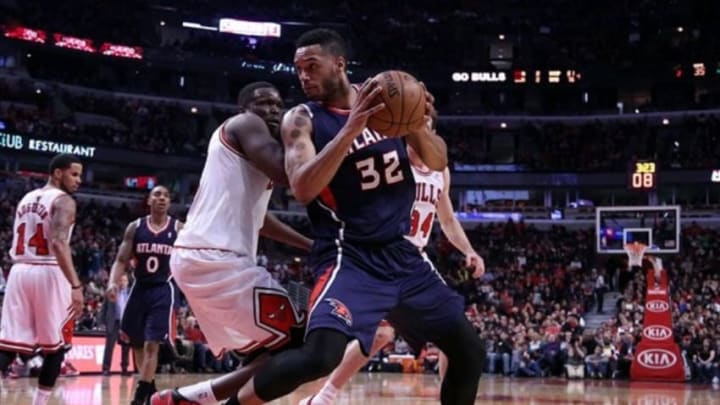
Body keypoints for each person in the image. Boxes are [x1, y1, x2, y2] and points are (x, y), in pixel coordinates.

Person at [230, 28, 485, 405]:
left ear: (340, 64)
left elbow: (436, 160)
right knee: (320, 356)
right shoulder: (302, 119)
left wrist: (414, 123)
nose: (303, 76)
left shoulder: (386, 97)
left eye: (312, 67)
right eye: (298, 68)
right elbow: (302, 187)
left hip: (401, 254)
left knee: (469, 351)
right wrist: (351, 130)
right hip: (349, 255)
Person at [300, 116, 485, 405]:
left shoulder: (440, 171)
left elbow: (447, 219)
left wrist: (469, 251)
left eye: (424, 125)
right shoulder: (392, 162)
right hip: (380, 255)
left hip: (416, 263)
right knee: (380, 334)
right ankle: (324, 396)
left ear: (431, 133)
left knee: (454, 334)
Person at [150, 81, 313, 405]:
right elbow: (288, 172)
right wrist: (310, 132)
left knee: (274, 348)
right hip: (214, 258)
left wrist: (309, 245)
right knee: (305, 333)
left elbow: (260, 220)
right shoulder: (244, 125)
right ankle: (188, 398)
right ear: (244, 109)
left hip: (213, 259)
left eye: (278, 105)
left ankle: (188, 399)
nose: (272, 110)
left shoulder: (250, 153)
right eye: (263, 103)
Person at [0, 153, 84, 405]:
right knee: (56, 347)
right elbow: (58, 243)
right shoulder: (64, 201)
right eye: (74, 174)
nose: (78, 180)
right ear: (58, 173)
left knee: (7, 345)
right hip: (48, 271)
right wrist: (76, 285)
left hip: (19, 271)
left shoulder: (26, 198)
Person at [106, 185, 183, 405]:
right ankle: (149, 386)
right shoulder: (135, 227)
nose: (162, 198)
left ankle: (141, 395)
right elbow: (121, 260)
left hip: (163, 289)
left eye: (167, 195)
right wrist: (113, 283)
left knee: (152, 343)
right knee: (137, 343)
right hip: (139, 288)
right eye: (157, 194)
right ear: (148, 200)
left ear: (169, 203)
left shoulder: (179, 228)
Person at [100, 273, 131, 375]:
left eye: (125, 280)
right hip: (114, 322)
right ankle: (106, 369)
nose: (123, 283)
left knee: (126, 347)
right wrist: (102, 322)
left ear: (127, 282)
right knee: (109, 346)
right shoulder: (111, 292)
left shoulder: (131, 293)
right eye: (121, 280)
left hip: (126, 323)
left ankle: (124, 368)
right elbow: (104, 308)